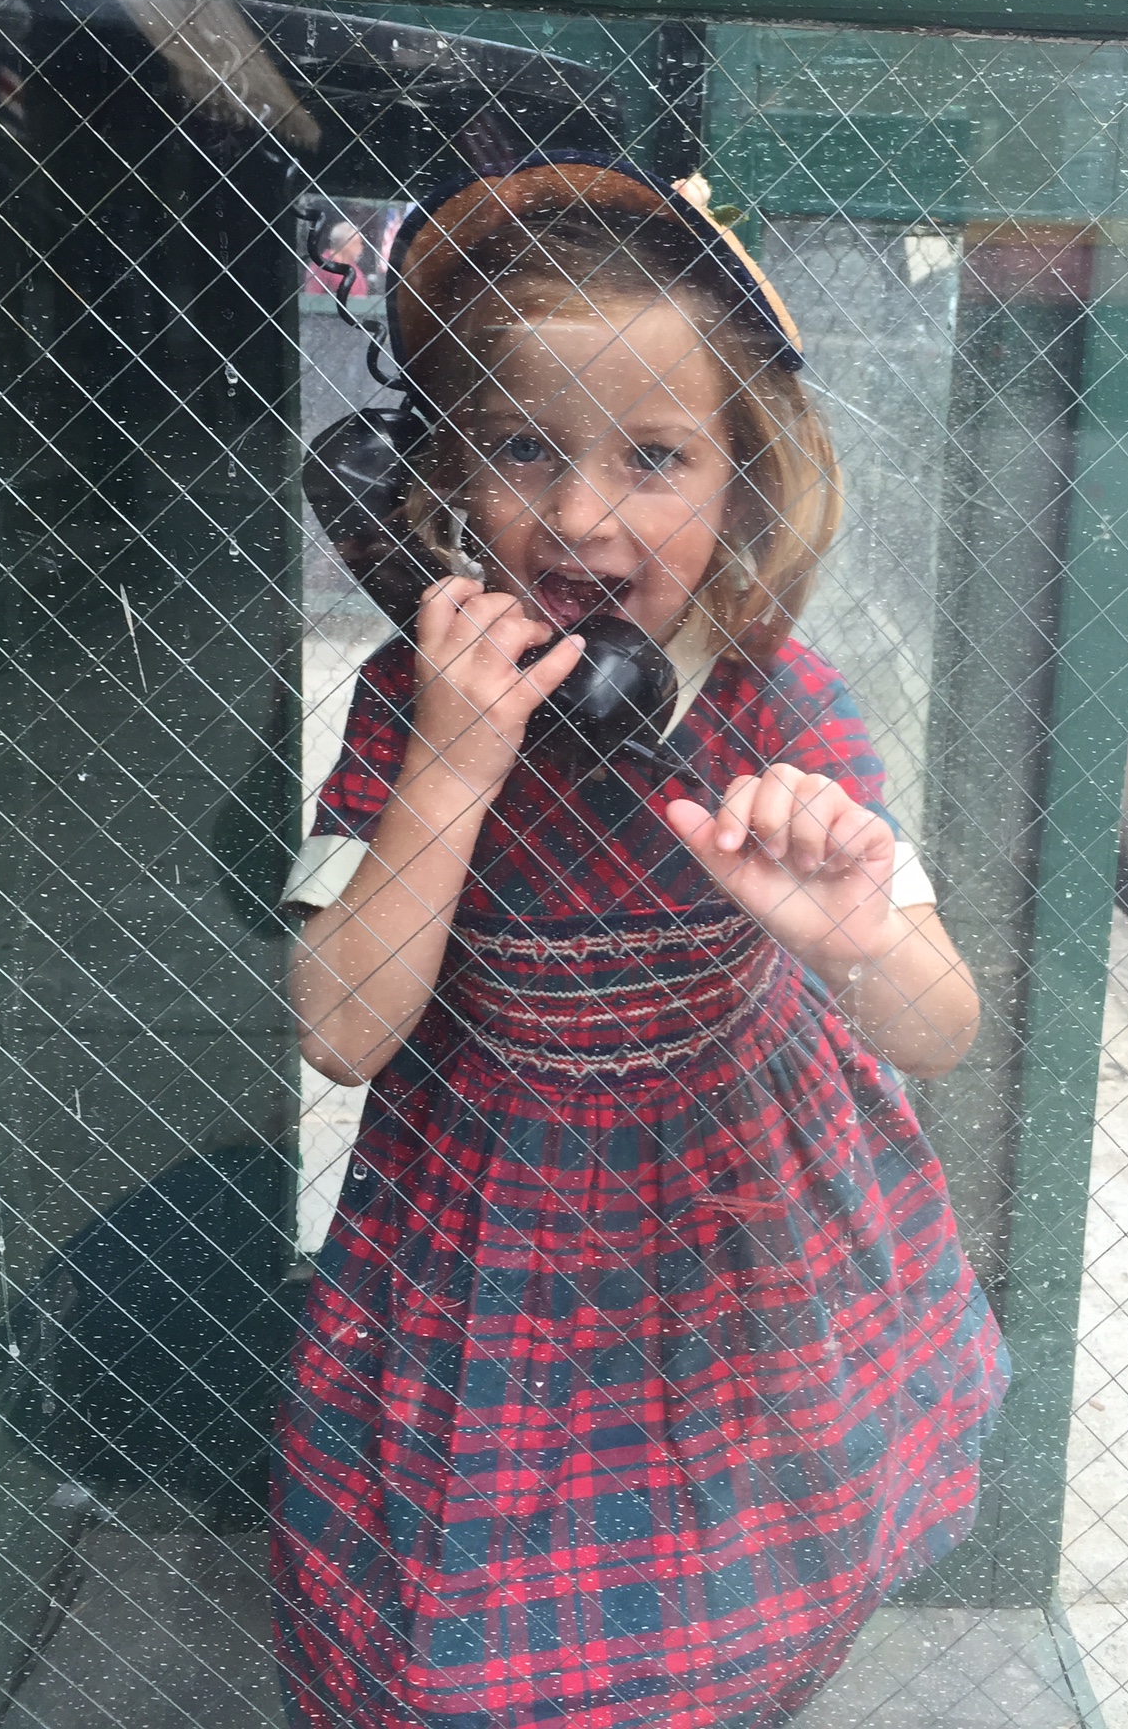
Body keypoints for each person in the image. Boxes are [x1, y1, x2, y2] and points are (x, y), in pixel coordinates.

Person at [271, 155, 1009, 1729]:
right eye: (524, 448)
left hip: (742, 1204)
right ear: (443, 473)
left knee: (739, 1588)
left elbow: (940, 1029)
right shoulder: (414, 705)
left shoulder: (773, 698)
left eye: (653, 457)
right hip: (497, 1211)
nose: (582, 515)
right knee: (461, 1621)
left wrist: (857, 935)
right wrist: (455, 773)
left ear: (747, 482)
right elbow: (339, 1029)